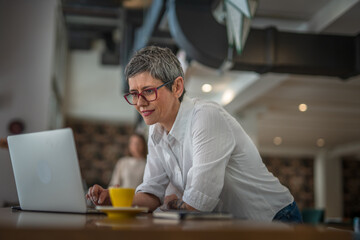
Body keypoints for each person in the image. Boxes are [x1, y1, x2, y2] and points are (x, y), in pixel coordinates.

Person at [86, 46, 302, 223]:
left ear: (177, 87)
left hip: (275, 218)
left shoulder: (206, 118)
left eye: (149, 91)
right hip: (234, 224)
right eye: (134, 94)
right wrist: (111, 200)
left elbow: (197, 206)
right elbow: (152, 193)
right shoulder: (156, 130)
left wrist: (172, 203)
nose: (140, 103)